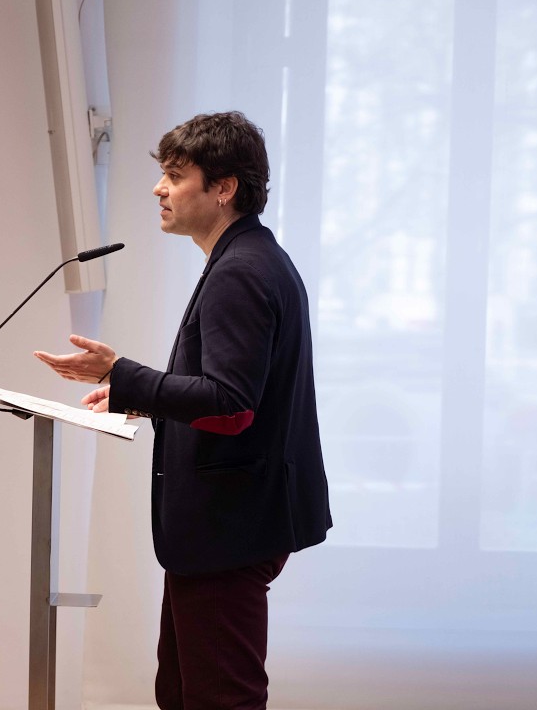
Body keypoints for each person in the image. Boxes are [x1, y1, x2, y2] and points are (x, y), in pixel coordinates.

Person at [34, 110, 332, 710]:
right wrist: (135, 394)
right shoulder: (248, 258)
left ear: (223, 188)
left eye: (175, 175)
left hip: (229, 527)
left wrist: (126, 375)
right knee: (183, 693)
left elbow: (231, 404)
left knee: (219, 699)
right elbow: (232, 393)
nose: (158, 188)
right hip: (230, 525)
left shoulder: (241, 272)